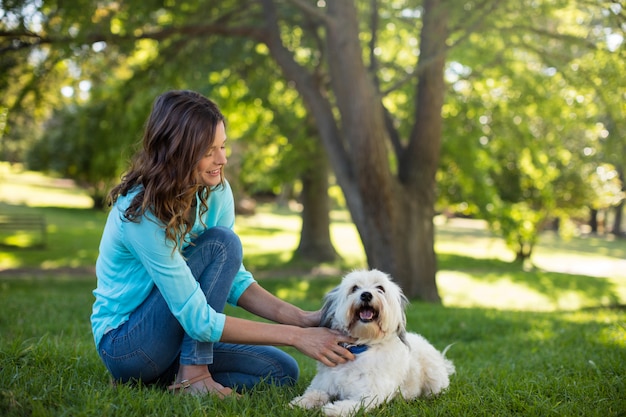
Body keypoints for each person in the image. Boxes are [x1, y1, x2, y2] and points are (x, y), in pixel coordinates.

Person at [90, 90, 355, 397]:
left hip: (174, 337)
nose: (222, 159)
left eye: (223, 146)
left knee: (281, 371)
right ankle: (193, 375)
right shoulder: (140, 214)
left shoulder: (214, 192)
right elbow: (198, 318)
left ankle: (168, 378)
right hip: (127, 345)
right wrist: (296, 337)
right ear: (178, 151)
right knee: (221, 243)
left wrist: (302, 319)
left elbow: (232, 280)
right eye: (209, 151)